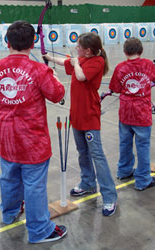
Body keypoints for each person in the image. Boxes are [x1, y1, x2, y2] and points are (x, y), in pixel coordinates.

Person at [0, 20, 67, 243]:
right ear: (33, 42)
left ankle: (9, 214)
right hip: (32, 142)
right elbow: (57, 95)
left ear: (7, 42)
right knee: (34, 185)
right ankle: (39, 230)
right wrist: (54, 77)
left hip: (6, 140)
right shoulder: (39, 70)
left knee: (9, 178)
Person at [44, 32, 117, 216]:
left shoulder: (96, 62)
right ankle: (88, 183)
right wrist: (47, 56)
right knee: (82, 152)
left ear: (88, 51)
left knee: (97, 156)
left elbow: (82, 76)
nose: (76, 48)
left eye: (79, 46)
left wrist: (76, 63)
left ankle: (109, 197)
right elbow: (63, 62)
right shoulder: (82, 59)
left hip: (90, 117)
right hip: (76, 116)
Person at [109, 37, 155, 191]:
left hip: (126, 113)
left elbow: (115, 88)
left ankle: (124, 171)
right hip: (142, 113)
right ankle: (142, 180)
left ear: (124, 52)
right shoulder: (148, 64)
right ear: (141, 51)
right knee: (143, 146)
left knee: (125, 143)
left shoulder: (121, 67)